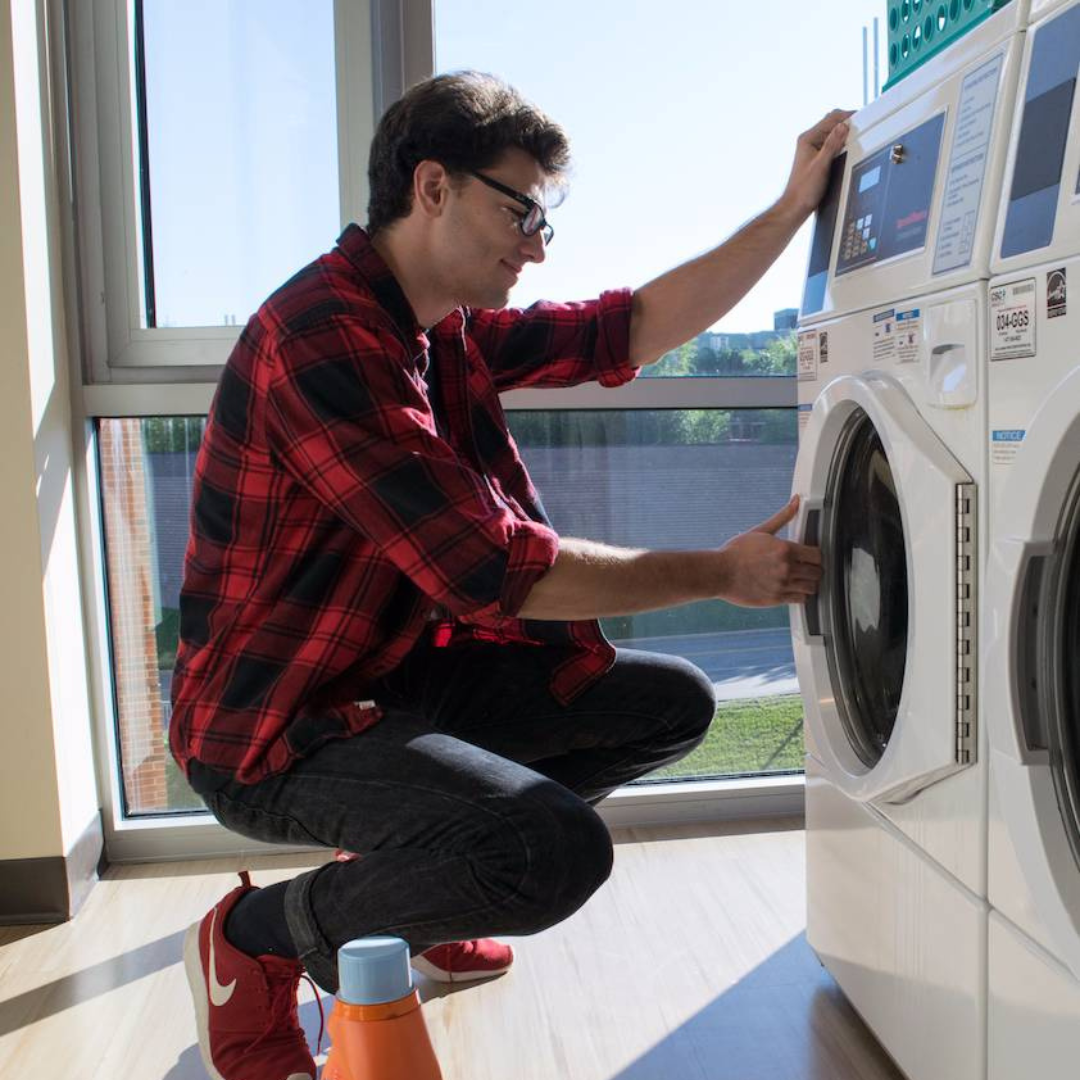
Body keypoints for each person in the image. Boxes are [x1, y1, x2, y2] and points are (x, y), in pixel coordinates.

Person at [172, 70, 848, 1080]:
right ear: (434, 188)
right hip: (274, 729)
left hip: (385, 681)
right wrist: (720, 572)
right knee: (551, 852)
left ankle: (426, 886)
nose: (537, 242)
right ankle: (256, 942)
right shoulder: (325, 339)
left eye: (545, 219)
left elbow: (626, 329)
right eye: (520, 210)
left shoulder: (436, 331)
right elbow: (497, 571)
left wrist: (793, 208)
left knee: (664, 706)